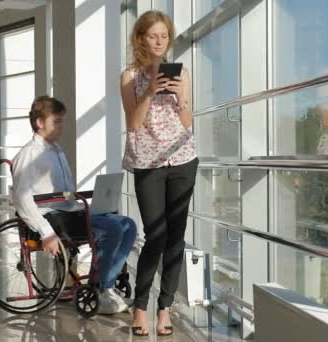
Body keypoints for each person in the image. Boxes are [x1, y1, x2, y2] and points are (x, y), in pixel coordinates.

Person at [11, 95, 137, 315]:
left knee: (128, 225)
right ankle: (103, 289)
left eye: (61, 121)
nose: (61, 126)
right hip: (53, 218)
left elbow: (66, 192)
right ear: (40, 123)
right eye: (56, 121)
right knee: (114, 228)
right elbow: (21, 198)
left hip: (68, 213)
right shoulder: (29, 155)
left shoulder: (56, 151)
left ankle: (103, 283)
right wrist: (46, 233)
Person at [120, 10, 198, 337]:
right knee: (156, 234)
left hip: (183, 158)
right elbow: (134, 123)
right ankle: (140, 307)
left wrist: (180, 97)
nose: (159, 41)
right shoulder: (129, 76)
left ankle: (165, 308)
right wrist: (151, 90)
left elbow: (187, 122)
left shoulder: (183, 73)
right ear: (140, 38)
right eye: (153, 35)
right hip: (148, 163)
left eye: (164, 36)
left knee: (176, 236)